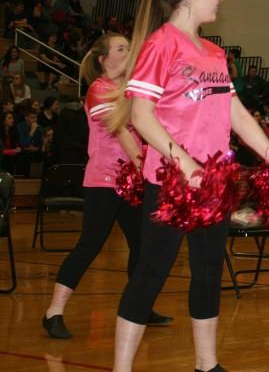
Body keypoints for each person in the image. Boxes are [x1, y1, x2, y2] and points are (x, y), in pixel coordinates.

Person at [109, 0, 269, 372]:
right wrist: (183, 160)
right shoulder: (160, 44)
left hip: (214, 182)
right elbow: (142, 115)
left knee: (207, 273)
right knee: (151, 273)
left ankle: (207, 365)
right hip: (170, 182)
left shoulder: (216, 52)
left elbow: (235, 113)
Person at [41, 34, 172, 340]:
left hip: (133, 183)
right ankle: (53, 312)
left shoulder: (130, 91)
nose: (128, 51)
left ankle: (139, 309)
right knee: (90, 244)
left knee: (142, 245)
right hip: (104, 181)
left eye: (129, 47)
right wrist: (144, 165)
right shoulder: (98, 90)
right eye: (121, 48)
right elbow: (123, 133)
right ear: (104, 59)